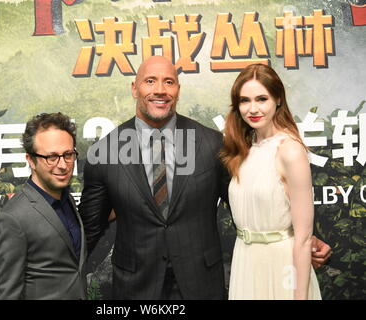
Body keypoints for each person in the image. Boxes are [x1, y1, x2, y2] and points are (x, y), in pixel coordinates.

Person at [79, 56, 330, 300]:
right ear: (135, 88)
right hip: (136, 286)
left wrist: (305, 237)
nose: (160, 90)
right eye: (150, 81)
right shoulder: (105, 152)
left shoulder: (211, 145)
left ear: (178, 89)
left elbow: (248, 200)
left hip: (200, 284)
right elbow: (90, 227)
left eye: (169, 82)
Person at [221, 63, 321, 299]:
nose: (252, 109)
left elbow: (304, 237)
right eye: (244, 101)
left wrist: (300, 296)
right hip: (245, 260)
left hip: (281, 264)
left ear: (277, 99)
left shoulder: (290, 150)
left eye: (261, 98)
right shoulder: (243, 151)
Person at [0, 112, 87, 299]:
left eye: (68, 155)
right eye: (51, 157)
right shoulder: (12, 218)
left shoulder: (66, 199)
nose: (63, 165)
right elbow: (7, 294)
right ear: (31, 160)